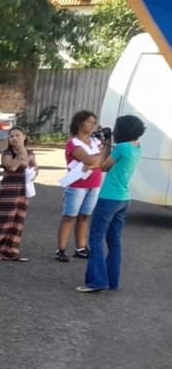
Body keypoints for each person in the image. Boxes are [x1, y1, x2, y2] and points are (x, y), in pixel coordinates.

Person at [79, 115, 145, 293]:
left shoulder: (121, 147)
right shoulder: (137, 147)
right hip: (124, 198)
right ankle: (112, 280)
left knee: (96, 237)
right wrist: (108, 142)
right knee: (114, 241)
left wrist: (106, 144)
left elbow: (102, 166)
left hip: (109, 197)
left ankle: (97, 281)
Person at [56, 109, 105, 263]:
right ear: (79, 122)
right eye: (89, 122)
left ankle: (81, 248)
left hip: (94, 182)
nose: (92, 125)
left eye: (93, 123)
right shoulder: (73, 142)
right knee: (70, 215)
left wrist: (96, 159)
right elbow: (90, 160)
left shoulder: (96, 141)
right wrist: (98, 158)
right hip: (77, 183)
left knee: (84, 216)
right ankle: (61, 249)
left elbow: (101, 159)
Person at [0, 127, 36, 263]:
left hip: (23, 190)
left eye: (17, 135)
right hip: (9, 190)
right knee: (4, 220)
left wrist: (34, 172)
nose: (14, 138)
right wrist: (19, 154)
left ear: (24, 136)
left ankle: (11, 250)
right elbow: (11, 167)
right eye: (11, 136)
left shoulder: (30, 153)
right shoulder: (7, 152)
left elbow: (34, 167)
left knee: (17, 221)